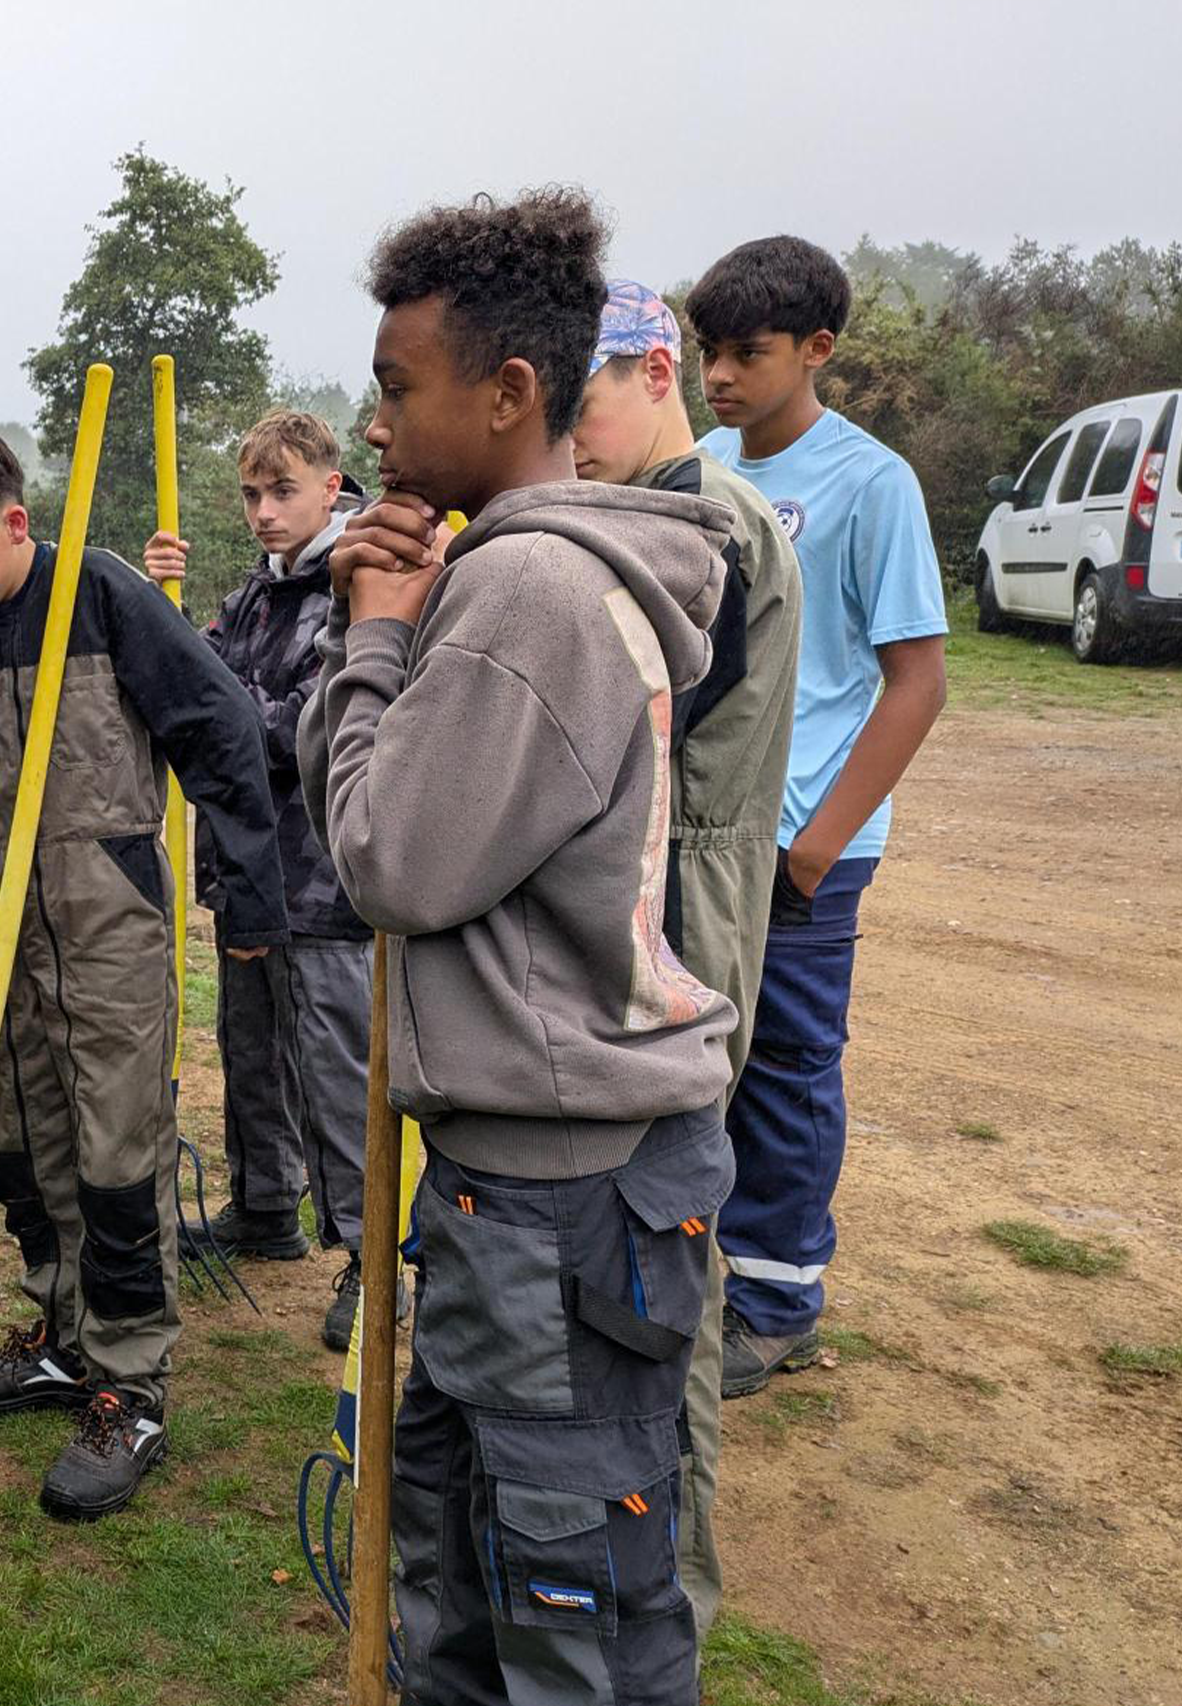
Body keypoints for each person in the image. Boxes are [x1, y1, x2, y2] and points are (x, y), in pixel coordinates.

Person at [296, 188, 738, 1702]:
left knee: (573, 1595)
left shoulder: (529, 590)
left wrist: (372, 637)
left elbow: (389, 858)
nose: (380, 413)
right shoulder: (506, 574)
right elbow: (374, 792)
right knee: (482, 1553)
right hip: (534, 1178)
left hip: (564, 1195)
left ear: (509, 393)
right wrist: (377, 625)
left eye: (400, 385)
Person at [0, 424, 285, 1521]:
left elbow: (222, 731)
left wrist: (244, 896)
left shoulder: (101, 596)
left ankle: (131, 1381)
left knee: (115, 1154)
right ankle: (60, 1336)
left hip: (106, 923)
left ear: (16, 523)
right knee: (26, 1140)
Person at [570, 279, 804, 1636]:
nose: (570, 428)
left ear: (653, 371)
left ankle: (672, 1601)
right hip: (667, 919)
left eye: (583, 393)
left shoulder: (701, 524)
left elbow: (616, 715)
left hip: (686, 936)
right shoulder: (664, 510)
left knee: (671, 1272)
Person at [686, 237, 949, 1399]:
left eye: (747, 353)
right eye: (707, 353)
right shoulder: (694, 467)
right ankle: (702, 1271)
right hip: (704, 827)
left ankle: (781, 1295)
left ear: (816, 350)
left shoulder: (870, 482)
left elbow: (916, 680)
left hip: (805, 848)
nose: (720, 376)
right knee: (702, 1054)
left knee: (786, 1066)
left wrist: (820, 840)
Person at [142, 409, 383, 1350]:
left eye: (281, 491)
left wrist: (206, 683)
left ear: (331, 485)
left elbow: (292, 729)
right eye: (250, 494)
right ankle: (265, 1207)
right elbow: (204, 678)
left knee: (336, 1070)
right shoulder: (258, 592)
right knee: (249, 1048)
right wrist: (165, 608)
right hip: (248, 869)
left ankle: (371, 1262)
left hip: (324, 877)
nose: (263, 512)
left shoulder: (359, 587)